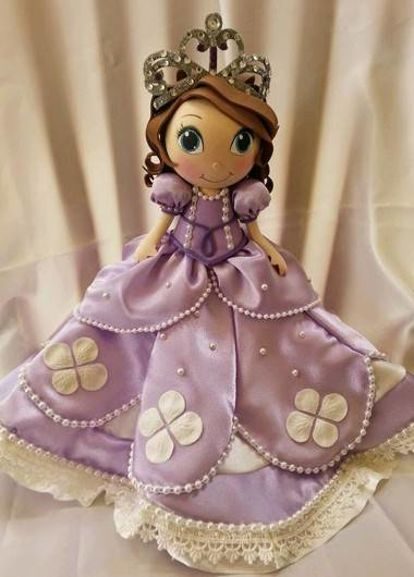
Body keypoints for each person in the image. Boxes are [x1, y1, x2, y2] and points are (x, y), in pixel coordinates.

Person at [0, 12, 413, 573]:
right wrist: (146, 253)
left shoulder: (243, 202)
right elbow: (160, 230)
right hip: (178, 271)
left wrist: (267, 252)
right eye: (192, 140)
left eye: (239, 142)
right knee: (125, 342)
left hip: (238, 276)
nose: (216, 161)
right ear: (166, 143)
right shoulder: (177, 199)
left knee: (289, 344)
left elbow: (255, 233)